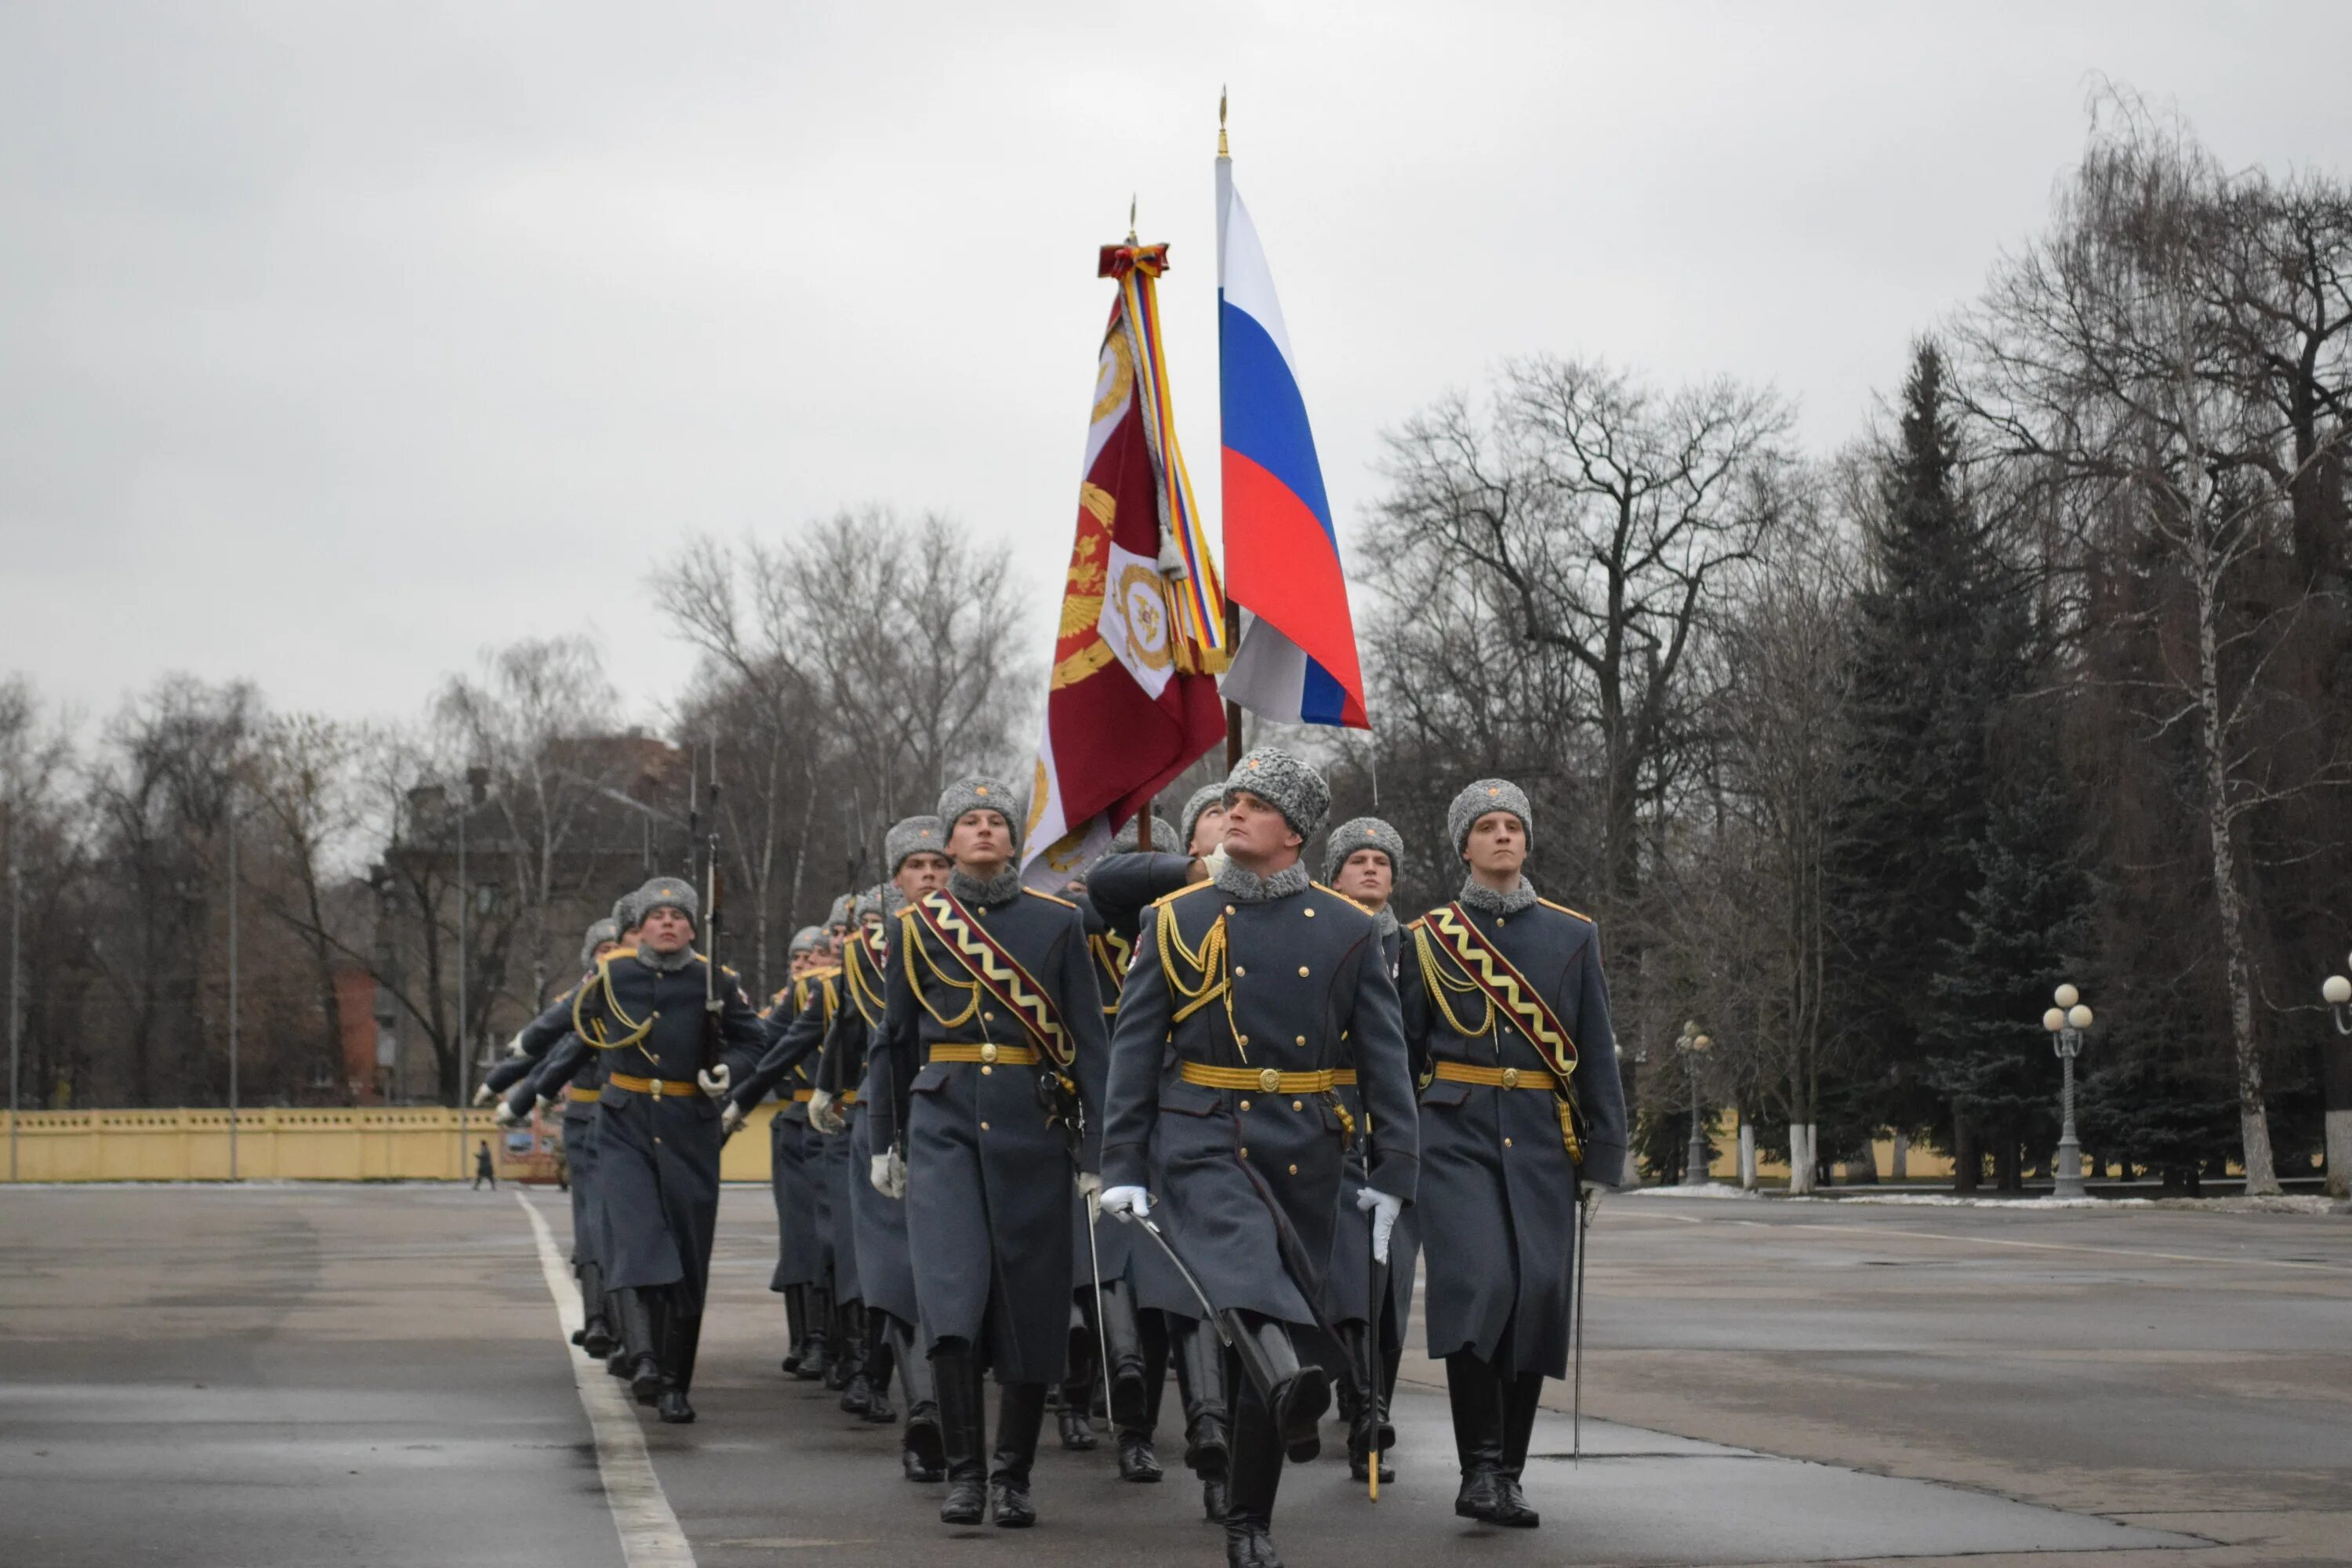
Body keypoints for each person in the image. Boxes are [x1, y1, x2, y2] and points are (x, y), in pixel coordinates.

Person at [1098, 747, 1419, 1568]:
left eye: (1255, 803)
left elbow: (1385, 1060)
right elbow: (1134, 1052)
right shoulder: (1173, 918)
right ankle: (1291, 1386)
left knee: (1264, 1322)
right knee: (1246, 1275)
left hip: (1307, 1141)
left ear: (1294, 832)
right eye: (1230, 800)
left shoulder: (1349, 928)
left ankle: (1250, 1519)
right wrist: (1123, 1163)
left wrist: (1394, 1171)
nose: (1233, 811)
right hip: (1202, 1127)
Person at [866, 777, 1109, 1529]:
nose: (981, 831)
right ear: (948, 841)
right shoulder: (917, 928)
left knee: (1033, 1306)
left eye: (994, 822)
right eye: (967, 822)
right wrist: (885, 1139)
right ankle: (964, 1478)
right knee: (951, 1294)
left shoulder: (1056, 922)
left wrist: (1100, 1152)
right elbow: (894, 1041)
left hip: (1031, 1128)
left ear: (1013, 839)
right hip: (941, 1127)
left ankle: (1013, 1477)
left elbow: (1090, 1046)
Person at [1397, 780, 1628, 1528]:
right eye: (1486, 828)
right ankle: (1479, 1470)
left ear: (1527, 842)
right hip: (1453, 1135)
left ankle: (1510, 1474)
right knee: (1480, 1286)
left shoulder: (1572, 934)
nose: (1502, 837)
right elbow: (1400, 1054)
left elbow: (1596, 1054)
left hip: (1540, 1139)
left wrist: (1601, 1159)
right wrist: (1391, 1151)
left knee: (1535, 1297)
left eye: (1512, 827)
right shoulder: (1426, 938)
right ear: (1464, 845)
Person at [570, 876, 768, 1425]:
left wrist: (728, 1071)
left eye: (678, 916)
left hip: (690, 1128)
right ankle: (646, 1357)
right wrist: (530, 1086)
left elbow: (755, 1041)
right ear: (639, 927)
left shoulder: (716, 981)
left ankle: (678, 1379)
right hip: (624, 1123)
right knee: (634, 1238)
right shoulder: (613, 975)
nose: (667, 924)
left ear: (692, 926)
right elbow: (578, 1033)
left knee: (686, 1257)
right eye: (656, 916)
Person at [811, 817, 952, 1480]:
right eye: (917, 866)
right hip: (887, 1110)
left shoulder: (985, 936)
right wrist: (828, 1088)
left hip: (962, 1112)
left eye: (939, 864)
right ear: (896, 880)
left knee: (953, 1271)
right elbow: (867, 1029)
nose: (930, 875)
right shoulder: (873, 949)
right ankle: (924, 1411)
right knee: (897, 1270)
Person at [1319, 818, 1417, 1485]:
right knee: (1350, 1263)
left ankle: (1372, 1391)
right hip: (1331, 1112)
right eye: (1357, 859)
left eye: (1382, 860)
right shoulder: (1318, 933)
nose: (1372, 870)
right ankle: (1361, 1403)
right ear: (1334, 876)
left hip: (1397, 1120)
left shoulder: (1417, 947)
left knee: (1391, 1275)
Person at [724, 919, 846, 1380]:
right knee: (801, 1239)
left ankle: (840, 1344)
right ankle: (811, 1338)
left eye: (814, 956)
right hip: (797, 1120)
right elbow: (765, 1052)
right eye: (798, 959)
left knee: (838, 1241)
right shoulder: (789, 1001)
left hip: (841, 1119)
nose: (805, 965)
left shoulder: (840, 992)